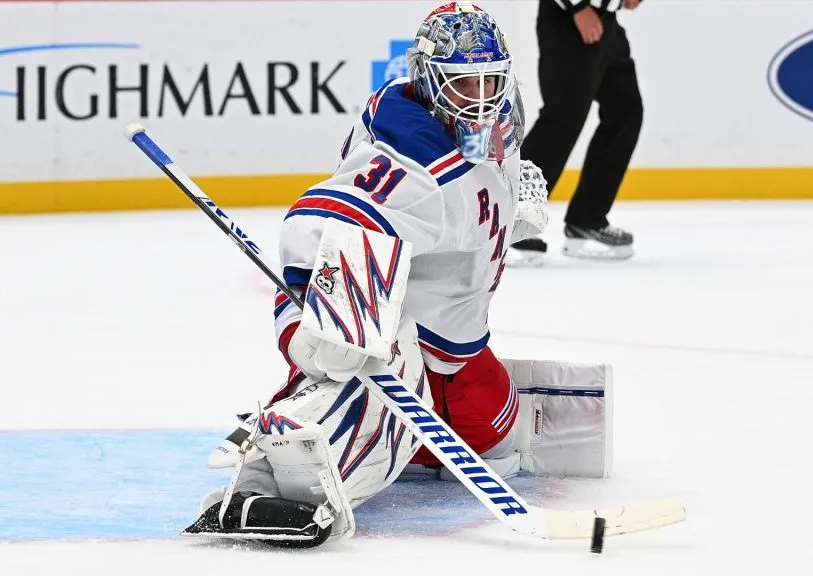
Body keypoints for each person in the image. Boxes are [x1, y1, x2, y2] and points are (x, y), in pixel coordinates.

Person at [182, 2, 611, 549]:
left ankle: (379, 420)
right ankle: (285, 474)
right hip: (407, 334)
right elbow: (320, 219)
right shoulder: (417, 164)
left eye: (491, 81)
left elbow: (484, 164)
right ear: (429, 80)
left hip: (459, 345)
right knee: (364, 372)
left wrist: (504, 202)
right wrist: (318, 318)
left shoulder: (491, 117)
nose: (481, 99)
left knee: (495, 434)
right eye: (464, 86)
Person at [508, 0, 644, 265]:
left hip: (607, 22)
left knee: (625, 112)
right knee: (562, 119)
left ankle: (587, 219)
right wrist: (578, 8)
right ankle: (510, 220)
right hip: (569, 20)